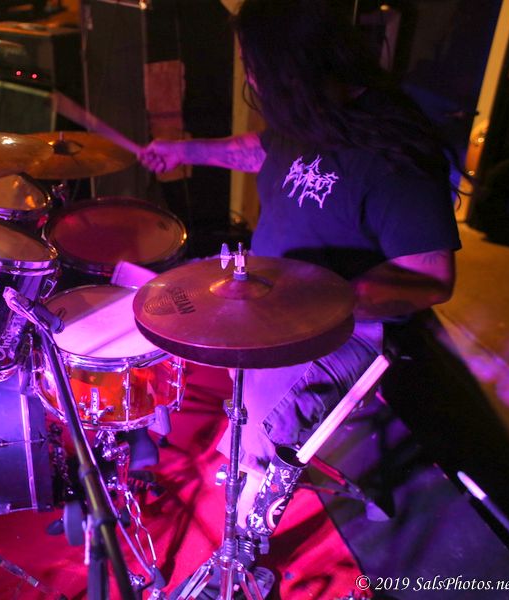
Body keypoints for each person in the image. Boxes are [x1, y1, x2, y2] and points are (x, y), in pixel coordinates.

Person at [139, 0, 460, 571]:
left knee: (263, 425)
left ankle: (241, 548)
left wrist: (308, 305)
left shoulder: (394, 148)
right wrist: (182, 149)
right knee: (173, 315)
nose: (253, 80)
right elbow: (259, 149)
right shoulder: (305, 113)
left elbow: (430, 276)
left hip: (349, 329)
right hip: (272, 303)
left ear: (296, 65)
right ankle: (224, 446)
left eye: (255, 66)